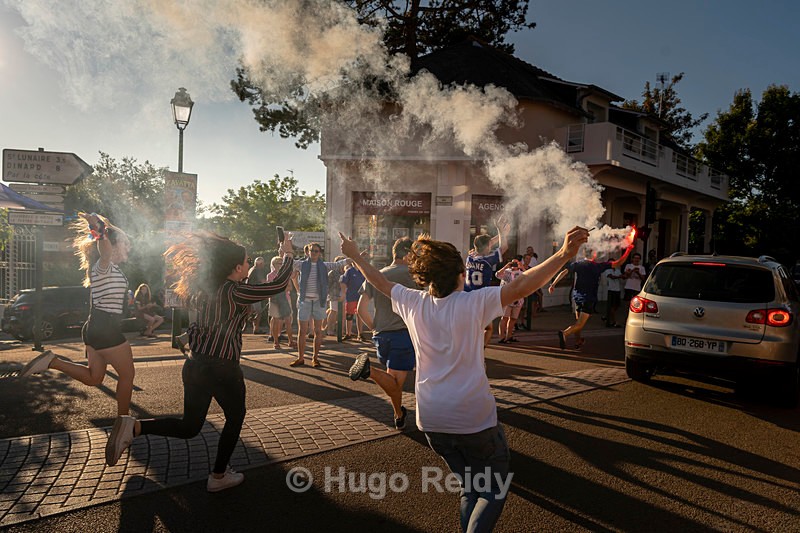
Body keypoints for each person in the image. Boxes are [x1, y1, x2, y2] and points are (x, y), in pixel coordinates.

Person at [339, 226, 588, 533]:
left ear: (426, 277)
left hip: (430, 420)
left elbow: (380, 281)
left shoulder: (413, 302)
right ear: (460, 274)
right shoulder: (473, 303)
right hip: (473, 419)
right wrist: (564, 254)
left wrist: (354, 257)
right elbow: (522, 285)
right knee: (494, 488)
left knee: (470, 488)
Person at [104, 231, 295, 491]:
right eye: (247, 262)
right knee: (236, 416)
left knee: (190, 426)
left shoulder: (207, 288)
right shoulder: (234, 291)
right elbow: (277, 286)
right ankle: (218, 476)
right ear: (237, 268)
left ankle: (134, 426)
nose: (249, 266)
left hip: (195, 364)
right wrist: (288, 254)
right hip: (222, 368)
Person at [17, 212, 136, 466]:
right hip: (106, 329)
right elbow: (103, 250)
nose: (129, 247)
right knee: (127, 377)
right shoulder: (104, 265)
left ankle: (53, 361)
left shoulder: (105, 269)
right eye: (125, 243)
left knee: (95, 378)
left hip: (93, 328)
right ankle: (122, 427)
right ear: (113, 247)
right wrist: (99, 229)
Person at [349, 237, 417, 429]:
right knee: (396, 382)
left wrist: (374, 327)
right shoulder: (414, 275)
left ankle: (398, 414)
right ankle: (370, 372)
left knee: (393, 381)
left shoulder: (377, 275)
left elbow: (361, 309)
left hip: (380, 335)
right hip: (403, 334)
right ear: (408, 253)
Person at [549, 244, 634, 350]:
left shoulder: (578, 264)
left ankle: (578, 341)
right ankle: (565, 333)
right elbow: (619, 263)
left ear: (584, 253)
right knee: (579, 325)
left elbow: (564, 272)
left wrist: (553, 284)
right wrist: (628, 250)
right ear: (594, 254)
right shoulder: (598, 266)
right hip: (588, 299)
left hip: (577, 297)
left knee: (578, 323)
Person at [290, 243, 350, 368]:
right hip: (304, 301)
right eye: (312, 251)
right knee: (302, 331)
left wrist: (355, 256)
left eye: (317, 251)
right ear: (308, 252)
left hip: (319, 301)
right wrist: (285, 248)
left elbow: (339, 264)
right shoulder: (302, 264)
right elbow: (288, 261)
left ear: (320, 253)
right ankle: (300, 358)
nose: (314, 253)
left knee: (318, 331)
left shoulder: (324, 265)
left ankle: (315, 358)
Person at [465, 215, 510, 347]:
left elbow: (487, 244)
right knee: (487, 328)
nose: (490, 247)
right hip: (480, 297)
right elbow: (504, 247)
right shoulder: (487, 260)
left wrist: (501, 233)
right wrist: (501, 232)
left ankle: (471, 347)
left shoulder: (470, 256)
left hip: (466, 296)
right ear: (486, 248)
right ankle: (480, 349)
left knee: (471, 326)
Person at [267, 255, 297, 350]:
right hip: (274, 300)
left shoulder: (285, 274)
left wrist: (279, 287)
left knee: (288, 321)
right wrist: (281, 287)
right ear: (274, 265)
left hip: (285, 299)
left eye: (281, 263)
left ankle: (290, 341)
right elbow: (270, 288)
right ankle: (276, 342)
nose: (280, 265)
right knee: (275, 320)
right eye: (278, 263)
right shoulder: (270, 275)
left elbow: (290, 287)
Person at [495, 260, 524, 344]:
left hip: (518, 299)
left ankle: (509, 336)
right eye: (513, 263)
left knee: (513, 319)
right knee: (504, 317)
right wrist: (505, 267)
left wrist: (522, 267)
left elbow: (530, 277)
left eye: (516, 263)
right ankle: (501, 337)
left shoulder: (521, 273)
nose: (514, 265)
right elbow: (497, 275)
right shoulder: (506, 272)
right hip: (507, 298)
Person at [340, 263, 367, 341]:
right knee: (349, 316)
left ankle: (360, 334)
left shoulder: (362, 271)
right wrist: (343, 293)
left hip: (361, 297)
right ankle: (348, 334)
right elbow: (343, 282)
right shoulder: (349, 271)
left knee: (360, 315)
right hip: (351, 296)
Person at [322, 256, 346, 336]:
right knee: (333, 311)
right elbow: (327, 284)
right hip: (334, 294)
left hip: (343, 294)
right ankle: (329, 329)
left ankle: (340, 330)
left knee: (340, 312)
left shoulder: (345, 272)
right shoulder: (332, 272)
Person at [246, 257, 268, 334]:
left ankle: (247, 326)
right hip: (255, 294)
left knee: (251, 311)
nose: (264, 265)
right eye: (263, 263)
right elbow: (263, 281)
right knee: (258, 312)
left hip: (249, 293)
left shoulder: (251, 269)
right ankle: (256, 329)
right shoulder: (258, 270)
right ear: (260, 264)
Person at [603, 263, 623, 328]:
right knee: (611, 306)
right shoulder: (607, 270)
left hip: (617, 289)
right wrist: (620, 276)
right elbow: (612, 277)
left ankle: (607, 317)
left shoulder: (617, 270)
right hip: (611, 290)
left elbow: (623, 277)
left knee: (616, 306)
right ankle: (612, 321)